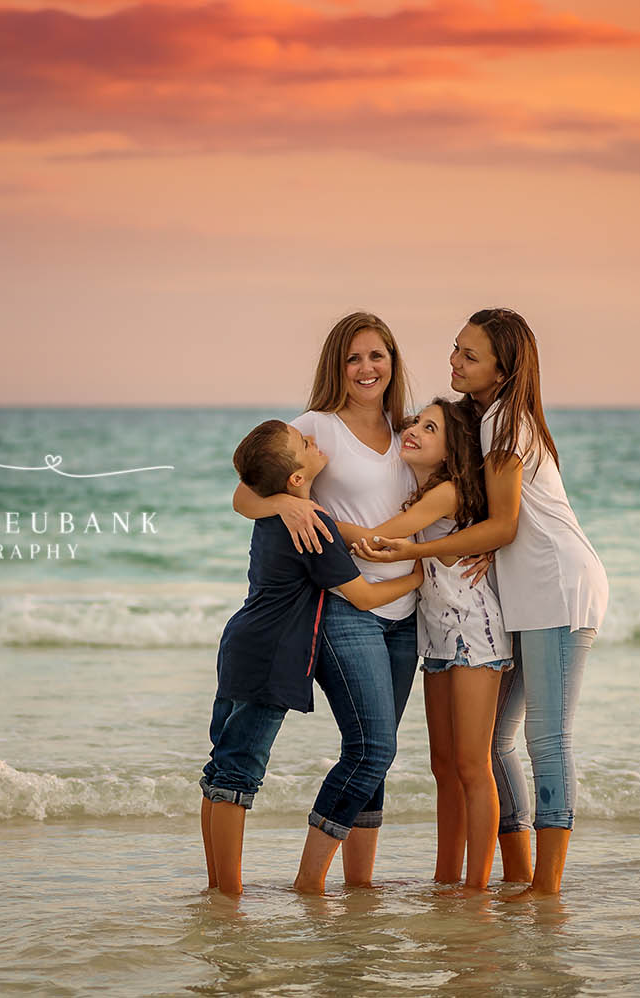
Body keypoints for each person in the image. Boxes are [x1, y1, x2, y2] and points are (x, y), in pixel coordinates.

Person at [355, 308, 608, 899]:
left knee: (549, 739)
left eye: (470, 355)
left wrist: (430, 549)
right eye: (455, 350)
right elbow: (492, 522)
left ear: (504, 367)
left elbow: (500, 527)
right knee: (495, 744)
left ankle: (545, 893)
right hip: (522, 598)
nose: (455, 363)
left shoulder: (508, 424)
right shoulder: (493, 420)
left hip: (557, 590)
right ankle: (516, 877)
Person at [230, 312, 420, 895]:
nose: (367, 368)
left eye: (377, 356)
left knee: (377, 757)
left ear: (393, 362)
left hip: (407, 617)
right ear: (337, 366)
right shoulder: (316, 426)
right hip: (346, 608)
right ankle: (308, 884)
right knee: (371, 746)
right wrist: (289, 508)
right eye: (354, 358)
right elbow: (246, 493)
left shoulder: (408, 431)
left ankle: (359, 890)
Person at [332, 399, 513, 892]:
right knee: (443, 766)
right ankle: (445, 880)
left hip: (474, 632)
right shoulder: (423, 490)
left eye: (429, 428)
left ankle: (475, 888)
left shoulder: (447, 492)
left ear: (452, 450)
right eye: (414, 422)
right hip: (434, 633)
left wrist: (311, 515)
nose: (412, 430)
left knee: (473, 766)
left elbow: (375, 540)